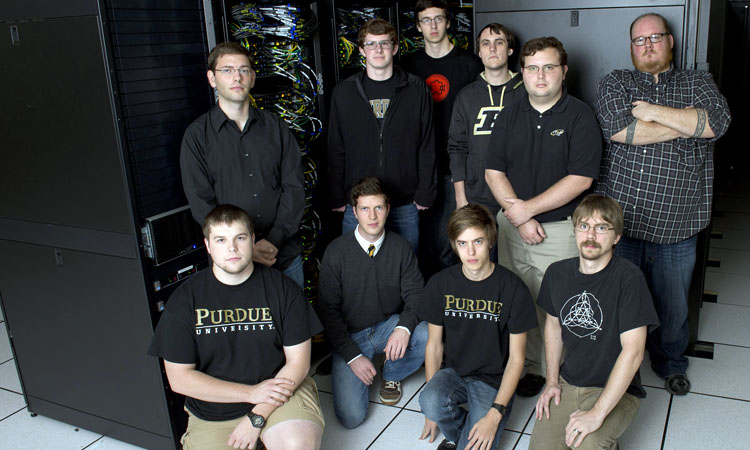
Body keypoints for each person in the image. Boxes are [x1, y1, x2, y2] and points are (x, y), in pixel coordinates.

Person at [595, 13, 731, 395]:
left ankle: (671, 363)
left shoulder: (697, 81)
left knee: (673, 309)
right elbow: (621, 130)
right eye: (640, 40)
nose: (648, 45)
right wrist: (686, 124)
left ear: (670, 41)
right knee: (623, 305)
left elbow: (715, 124)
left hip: (678, 224)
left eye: (655, 37)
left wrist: (652, 112)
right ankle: (624, 369)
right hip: (624, 225)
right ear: (631, 47)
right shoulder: (616, 82)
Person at [148, 204, 324, 450]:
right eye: (221, 240)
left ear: (252, 240)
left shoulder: (283, 290)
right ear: (208, 246)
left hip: (281, 393)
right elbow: (179, 379)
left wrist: (257, 415)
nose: (231, 248)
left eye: (239, 238)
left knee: (296, 445)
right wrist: (250, 394)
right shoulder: (185, 300)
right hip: (215, 409)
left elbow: (298, 363)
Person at [484, 37, 602, 397]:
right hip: (512, 227)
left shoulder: (579, 116)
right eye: (533, 67)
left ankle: (566, 370)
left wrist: (527, 210)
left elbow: (581, 178)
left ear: (563, 72)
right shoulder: (510, 113)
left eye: (549, 67)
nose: (541, 75)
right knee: (520, 298)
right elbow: (493, 170)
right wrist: (518, 217)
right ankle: (533, 367)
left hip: (561, 231)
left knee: (560, 304)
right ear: (522, 72)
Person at [530, 195, 659, 450]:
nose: (591, 235)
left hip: (616, 389)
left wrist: (597, 414)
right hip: (570, 380)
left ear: (616, 237)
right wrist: (552, 381)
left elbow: (633, 353)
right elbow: (553, 326)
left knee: (589, 444)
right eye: (584, 226)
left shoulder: (629, 279)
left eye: (602, 228)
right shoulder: (557, 273)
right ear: (575, 230)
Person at [180, 42, 305, 287]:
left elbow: (294, 187)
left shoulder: (276, 127)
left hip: (282, 254)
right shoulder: (197, 137)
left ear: (253, 78)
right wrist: (243, 247)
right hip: (232, 261)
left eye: (244, 70)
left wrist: (275, 240)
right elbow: (201, 203)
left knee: (294, 324)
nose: (237, 76)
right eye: (227, 70)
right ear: (212, 79)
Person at [418, 204, 537, 450]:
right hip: (455, 372)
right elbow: (434, 346)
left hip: (493, 380)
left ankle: (468, 434)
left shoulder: (513, 289)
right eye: (462, 243)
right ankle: (458, 434)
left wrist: (495, 413)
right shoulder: (440, 284)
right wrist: (431, 409)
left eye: (478, 242)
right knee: (429, 401)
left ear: (490, 241)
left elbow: (517, 358)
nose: (470, 251)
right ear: (454, 245)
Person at [316, 176, 428, 428]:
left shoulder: (400, 247)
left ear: (388, 210)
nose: (373, 216)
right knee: (352, 418)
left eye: (379, 207)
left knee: (426, 333)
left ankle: (392, 373)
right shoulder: (336, 252)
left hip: (387, 325)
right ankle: (345, 362)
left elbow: (416, 294)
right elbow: (327, 310)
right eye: (365, 208)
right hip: (350, 335)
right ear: (354, 212)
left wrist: (403, 328)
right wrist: (352, 355)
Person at [327, 18, 437, 254]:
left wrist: (425, 191)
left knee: (405, 269)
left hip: (405, 202)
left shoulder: (416, 89)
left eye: (384, 44)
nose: (378, 50)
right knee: (356, 270)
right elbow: (336, 148)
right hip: (359, 204)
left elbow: (427, 145)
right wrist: (337, 195)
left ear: (395, 48)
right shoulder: (344, 92)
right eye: (371, 44)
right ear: (361, 50)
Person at [400, 0, 483, 273]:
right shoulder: (408, 66)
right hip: (419, 168)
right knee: (420, 244)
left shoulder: (469, 64)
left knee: (450, 242)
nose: (433, 26)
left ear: (448, 22)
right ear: (417, 26)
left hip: (454, 168)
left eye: (438, 19)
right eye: (426, 20)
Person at [448, 23, 524, 239]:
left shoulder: (526, 91)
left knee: (516, 268)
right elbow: (457, 148)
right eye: (485, 44)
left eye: (499, 43)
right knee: (481, 264)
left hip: (519, 197)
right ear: (479, 52)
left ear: (509, 50)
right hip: (477, 199)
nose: (492, 49)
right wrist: (461, 199)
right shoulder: (466, 96)